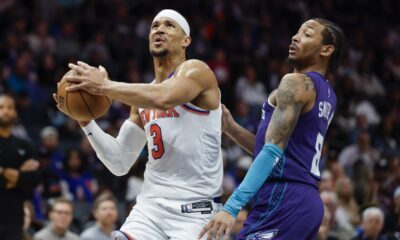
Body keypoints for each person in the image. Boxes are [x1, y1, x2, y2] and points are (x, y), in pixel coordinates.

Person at [54, 9, 223, 239]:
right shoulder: (142, 100)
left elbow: (163, 98)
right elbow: (120, 162)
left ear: (186, 40)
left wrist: (104, 86)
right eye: (155, 26)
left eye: (169, 25)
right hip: (150, 209)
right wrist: (86, 122)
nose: (159, 29)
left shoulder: (197, 70)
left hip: (195, 211)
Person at [199, 18, 346, 239]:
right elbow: (278, 150)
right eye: (297, 32)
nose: (295, 37)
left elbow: (272, 151)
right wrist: (231, 128)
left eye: (307, 34)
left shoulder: (296, 82)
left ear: (326, 49)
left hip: (284, 197)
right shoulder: (327, 93)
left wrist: (231, 207)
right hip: (306, 200)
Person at [0, 94, 41, 240]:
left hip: (14, 219)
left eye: (10, 107)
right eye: (1, 107)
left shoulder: (25, 145)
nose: (5, 111)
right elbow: (25, 179)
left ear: (15, 112)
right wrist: (19, 175)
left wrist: (3, 171)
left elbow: (34, 180)